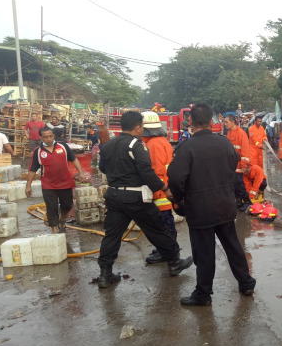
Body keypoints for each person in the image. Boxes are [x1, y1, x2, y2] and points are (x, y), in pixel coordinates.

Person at [168, 103, 256, 306]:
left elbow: (175, 179)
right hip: (225, 205)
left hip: (200, 209)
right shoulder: (224, 143)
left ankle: (203, 294)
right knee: (233, 246)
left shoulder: (186, 147)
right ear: (211, 122)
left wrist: (179, 200)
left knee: (204, 252)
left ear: (190, 121)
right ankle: (246, 282)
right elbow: (233, 164)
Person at [97, 111, 193, 288]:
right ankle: (174, 262)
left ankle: (105, 273)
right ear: (137, 127)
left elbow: (102, 167)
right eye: (141, 126)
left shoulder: (109, 145)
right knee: (157, 229)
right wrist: (165, 189)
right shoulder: (137, 145)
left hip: (113, 195)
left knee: (111, 235)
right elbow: (147, 172)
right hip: (135, 196)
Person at [25, 127, 83, 233]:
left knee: (67, 205)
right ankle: (54, 230)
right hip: (48, 184)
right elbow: (32, 170)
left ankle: (62, 218)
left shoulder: (63, 146)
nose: (48, 139)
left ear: (53, 135)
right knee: (51, 207)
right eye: (45, 137)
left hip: (65, 182)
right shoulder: (38, 151)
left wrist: (81, 172)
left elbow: (74, 159)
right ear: (41, 138)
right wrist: (28, 185)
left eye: (50, 136)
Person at [139, 112, 177, 264]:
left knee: (163, 224)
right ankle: (165, 249)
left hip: (160, 192)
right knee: (165, 222)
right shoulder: (161, 141)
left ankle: (167, 252)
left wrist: (155, 191)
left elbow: (157, 171)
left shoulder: (153, 145)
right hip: (164, 189)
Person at [224, 115, 253, 212]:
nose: (225, 124)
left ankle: (248, 201)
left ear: (233, 122)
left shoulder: (241, 133)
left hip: (239, 163)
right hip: (232, 164)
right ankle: (239, 202)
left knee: (238, 183)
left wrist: (244, 164)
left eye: (226, 122)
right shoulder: (229, 133)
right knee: (234, 184)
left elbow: (245, 149)